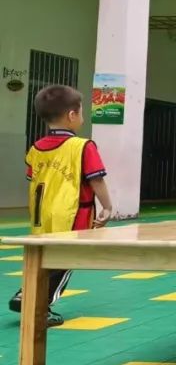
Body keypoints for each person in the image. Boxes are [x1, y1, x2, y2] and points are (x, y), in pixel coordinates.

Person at [9, 85, 114, 327]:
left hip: (41, 215)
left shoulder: (36, 149)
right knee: (67, 259)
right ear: (72, 115)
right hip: (73, 214)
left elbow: (32, 178)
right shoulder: (83, 146)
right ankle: (38, 304)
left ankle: (25, 293)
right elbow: (96, 180)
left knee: (46, 257)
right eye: (82, 111)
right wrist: (107, 207)